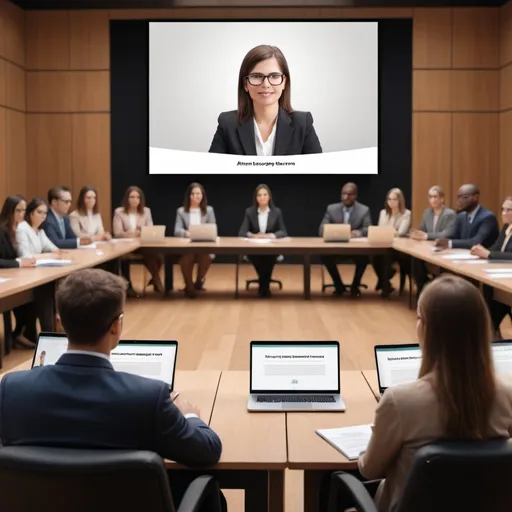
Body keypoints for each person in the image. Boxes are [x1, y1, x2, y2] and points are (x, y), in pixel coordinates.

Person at [0, 268, 225, 510]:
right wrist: (190, 416)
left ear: (60, 323)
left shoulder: (11, 389)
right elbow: (207, 451)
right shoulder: (149, 398)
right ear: (116, 327)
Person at [326, 274, 512, 512]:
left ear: (426, 329)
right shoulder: (507, 394)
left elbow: (369, 470)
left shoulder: (399, 401)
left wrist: (373, 443)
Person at [209, 44, 322, 156]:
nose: (266, 84)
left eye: (274, 76)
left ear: (284, 82)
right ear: (245, 84)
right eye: (257, 76)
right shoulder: (227, 124)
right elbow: (212, 171)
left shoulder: (303, 123)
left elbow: (319, 172)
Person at [319, 182, 372, 297]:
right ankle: (338, 285)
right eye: (343, 194)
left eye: (349, 194)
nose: (346, 197)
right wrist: (334, 231)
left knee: (364, 259)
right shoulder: (331, 209)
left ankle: (355, 286)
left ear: (356, 196)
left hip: (355, 249)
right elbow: (321, 230)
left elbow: (367, 229)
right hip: (336, 248)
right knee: (325, 256)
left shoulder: (364, 210)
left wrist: (356, 233)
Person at [0, 195, 39, 348]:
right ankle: (18, 334)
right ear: (9, 211)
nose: (22, 214)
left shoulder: (17, 229)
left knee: (36, 296)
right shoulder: (1, 230)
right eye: (18, 210)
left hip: (13, 276)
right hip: (5, 279)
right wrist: (18, 263)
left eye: (24, 210)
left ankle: (21, 333)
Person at [471, 196, 512, 338]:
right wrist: (481, 250)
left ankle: (493, 328)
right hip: (501, 274)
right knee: (487, 286)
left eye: (509, 210)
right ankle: (493, 328)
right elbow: (496, 248)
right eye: (503, 209)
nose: (504, 213)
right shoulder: (506, 228)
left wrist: (488, 254)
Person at [113, 186, 165, 296]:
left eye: (137, 197)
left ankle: (155, 280)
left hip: (143, 245)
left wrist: (141, 232)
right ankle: (156, 282)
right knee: (126, 257)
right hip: (125, 247)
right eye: (132, 197)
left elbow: (150, 229)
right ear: (127, 198)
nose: (135, 199)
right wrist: (133, 233)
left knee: (157, 256)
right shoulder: (119, 212)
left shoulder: (146, 211)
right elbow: (117, 233)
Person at [238, 184, 287, 297]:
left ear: (269, 197)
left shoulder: (277, 212)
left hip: (271, 247)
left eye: (265, 195)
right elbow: (242, 232)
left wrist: (271, 235)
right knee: (256, 256)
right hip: (255, 248)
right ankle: (265, 285)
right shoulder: (249, 212)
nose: (262, 197)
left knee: (269, 256)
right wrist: (253, 236)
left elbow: (283, 231)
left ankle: (263, 285)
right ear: (256, 198)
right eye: (259, 195)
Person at [410, 185, 457, 297]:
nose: (433, 200)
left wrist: (425, 236)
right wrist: (416, 233)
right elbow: (422, 230)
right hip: (428, 248)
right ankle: (422, 286)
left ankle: (431, 289)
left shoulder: (449, 214)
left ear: (442, 199)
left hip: (443, 250)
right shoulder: (427, 213)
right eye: (431, 197)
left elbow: (446, 234)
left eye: (436, 197)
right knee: (414, 257)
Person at [174, 183, 216, 298]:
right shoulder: (181, 211)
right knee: (188, 257)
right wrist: (185, 233)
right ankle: (189, 285)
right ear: (189, 196)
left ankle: (198, 281)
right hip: (188, 245)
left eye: (198, 193)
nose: (195, 196)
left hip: (204, 244)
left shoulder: (209, 210)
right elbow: (177, 230)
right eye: (193, 194)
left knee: (207, 257)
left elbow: (213, 227)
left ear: (202, 195)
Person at [372, 188, 411, 297]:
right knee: (374, 257)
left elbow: (401, 232)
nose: (391, 202)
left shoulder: (406, 213)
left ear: (400, 201)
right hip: (385, 245)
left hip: (399, 248)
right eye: (389, 199)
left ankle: (384, 285)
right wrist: (391, 232)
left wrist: (389, 231)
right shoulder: (383, 213)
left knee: (387, 257)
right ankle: (385, 283)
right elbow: (380, 230)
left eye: (394, 199)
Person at [435, 184, 499, 250]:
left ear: (475, 197)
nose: (460, 200)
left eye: (465, 197)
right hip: (463, 255)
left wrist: (450, 243)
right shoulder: (461, 216)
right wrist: (441, 240)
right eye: (459, 197)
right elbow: (453, 236)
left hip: (483, 257)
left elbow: (476, 242)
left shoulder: (488, 217)